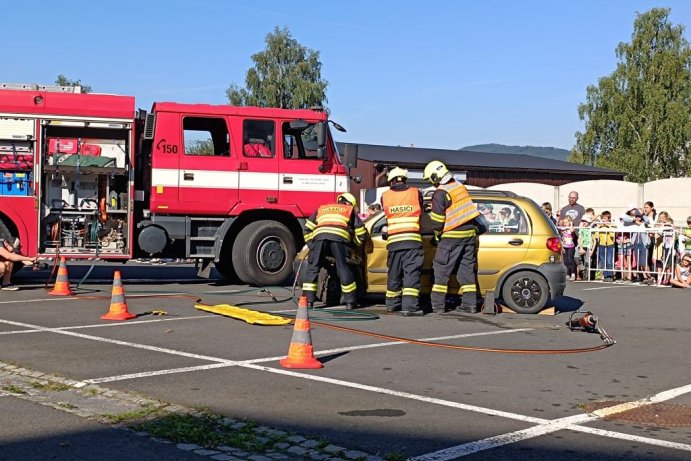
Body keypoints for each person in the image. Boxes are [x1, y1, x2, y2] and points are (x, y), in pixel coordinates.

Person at [423, 160, 486, 314]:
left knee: (441, 270)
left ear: (435, 177)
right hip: (469, 235)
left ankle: (438, 306)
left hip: (452, 236)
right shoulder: (459, 187)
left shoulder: (440, 193)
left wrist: (437, 235)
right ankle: (469, 305)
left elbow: (438, 222)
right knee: (466, 271)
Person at [301, 193, 367, 309]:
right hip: (338, 239)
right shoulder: (348, 209)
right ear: (349, 203)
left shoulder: (322, 208)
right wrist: (353, 245)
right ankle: (350, 302)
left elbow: (307, 228)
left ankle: (308, 302)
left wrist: (312, 245)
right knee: (343, 268)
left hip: (319, 239)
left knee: (313, 268)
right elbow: (361, 232)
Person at [380, 167, 425, 316]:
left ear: (391, 180)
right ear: (404, 179)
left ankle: (392, 304)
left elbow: (387, 217)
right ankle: (410, 307)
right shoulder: (415, 192)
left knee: (394, 274)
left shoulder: (385, 196)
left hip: (393, 242)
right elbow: (422, 213)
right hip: (412, 240)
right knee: (411, 274)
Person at [593, 211, 616, 282]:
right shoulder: (600, 226)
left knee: (609, 260)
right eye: (602, 218)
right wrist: (598, 228)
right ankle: (605, 275)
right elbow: (596, 236)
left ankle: (610, 275)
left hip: (610, 244)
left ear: (609, 219)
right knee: (603, 260)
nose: (603, 220)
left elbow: (613, 235)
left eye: (605, 218)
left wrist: (609, 226)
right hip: (602, 244)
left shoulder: (612, 225)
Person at [559, 216, 576, 280]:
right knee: (565, 261)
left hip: (571, 246)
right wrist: (562, 246)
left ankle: (573, 273)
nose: (565, 224)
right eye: (564, 222)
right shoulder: (563, 229)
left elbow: (572, 230)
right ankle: (567, 274)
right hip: (565, 246)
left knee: (570, 259)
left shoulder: (571, 229)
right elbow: (562, 238)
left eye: (566, 222)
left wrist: (571, 224)